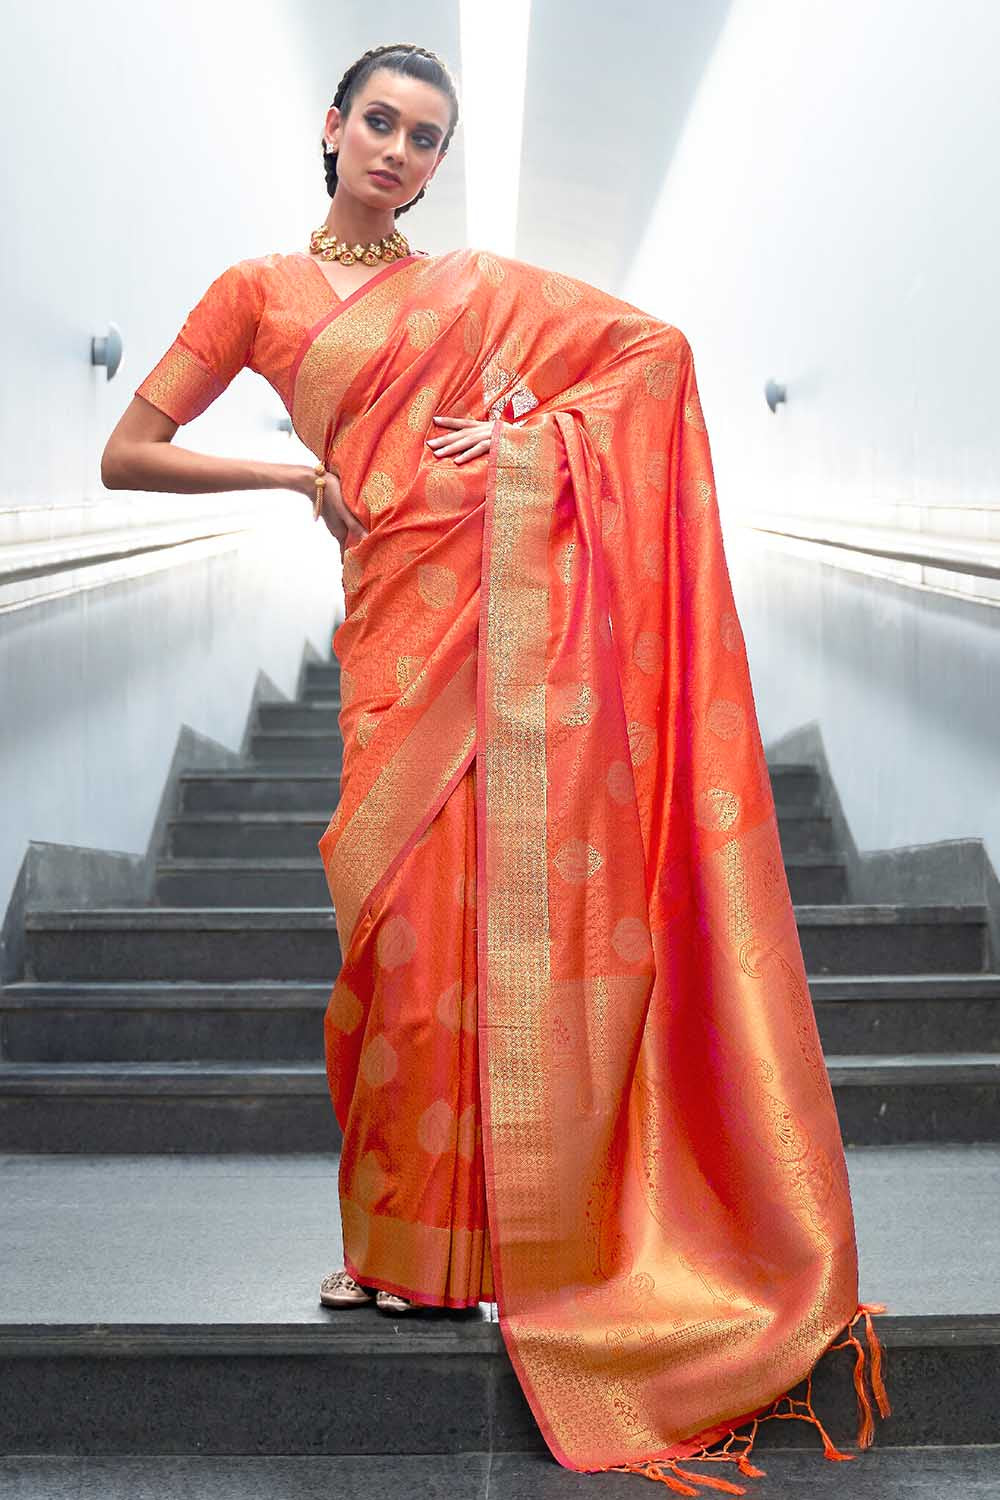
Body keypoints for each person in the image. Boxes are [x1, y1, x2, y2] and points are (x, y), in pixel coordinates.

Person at [102, 40, 891, 1494]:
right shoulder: (253, 293)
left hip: (493, 620)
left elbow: (654, 355)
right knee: (396, 941)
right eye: (379, 122)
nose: (397, 153)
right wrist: (293, 474)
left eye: (426, 139)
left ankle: (489, 1247)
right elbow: (127, 450)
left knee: (478, 930)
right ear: (332, 125)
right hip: (391, 629)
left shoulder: (476, 293)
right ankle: (391, 1247)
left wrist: (536, 438)